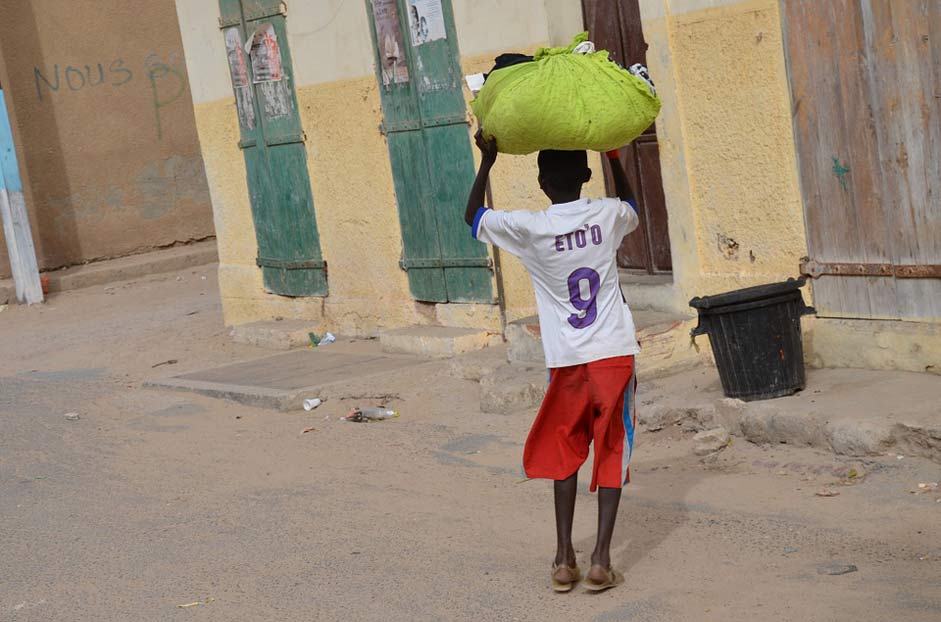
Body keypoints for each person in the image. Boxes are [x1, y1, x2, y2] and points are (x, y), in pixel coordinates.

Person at [465, 131, 640, 593]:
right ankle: (601, 560)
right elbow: (632, 207)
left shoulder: (531, 228)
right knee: (613, 447)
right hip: (614, 354)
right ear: (586, 176)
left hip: (566, 360)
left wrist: (488, 160)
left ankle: (565, 559)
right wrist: (614, 154)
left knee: (566, 448)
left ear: (542, 182)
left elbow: (473, 217)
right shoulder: (607, 214)